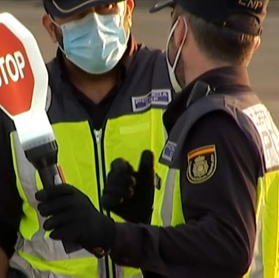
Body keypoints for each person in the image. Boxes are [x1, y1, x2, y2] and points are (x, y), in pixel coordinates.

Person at [35, 0, 279, 277]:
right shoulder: (251, 113)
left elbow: (227, 248)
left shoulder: (216, 121)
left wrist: (111, 235)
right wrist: (145, 216)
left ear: (180, 30)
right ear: (252, 44)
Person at [0, 0, 174, 277]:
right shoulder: (20, 101)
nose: (96, 23)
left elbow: (212, 225)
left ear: (129, 10)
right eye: (79, 14)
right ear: (51, 28)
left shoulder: (173, 83)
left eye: (106, 7)